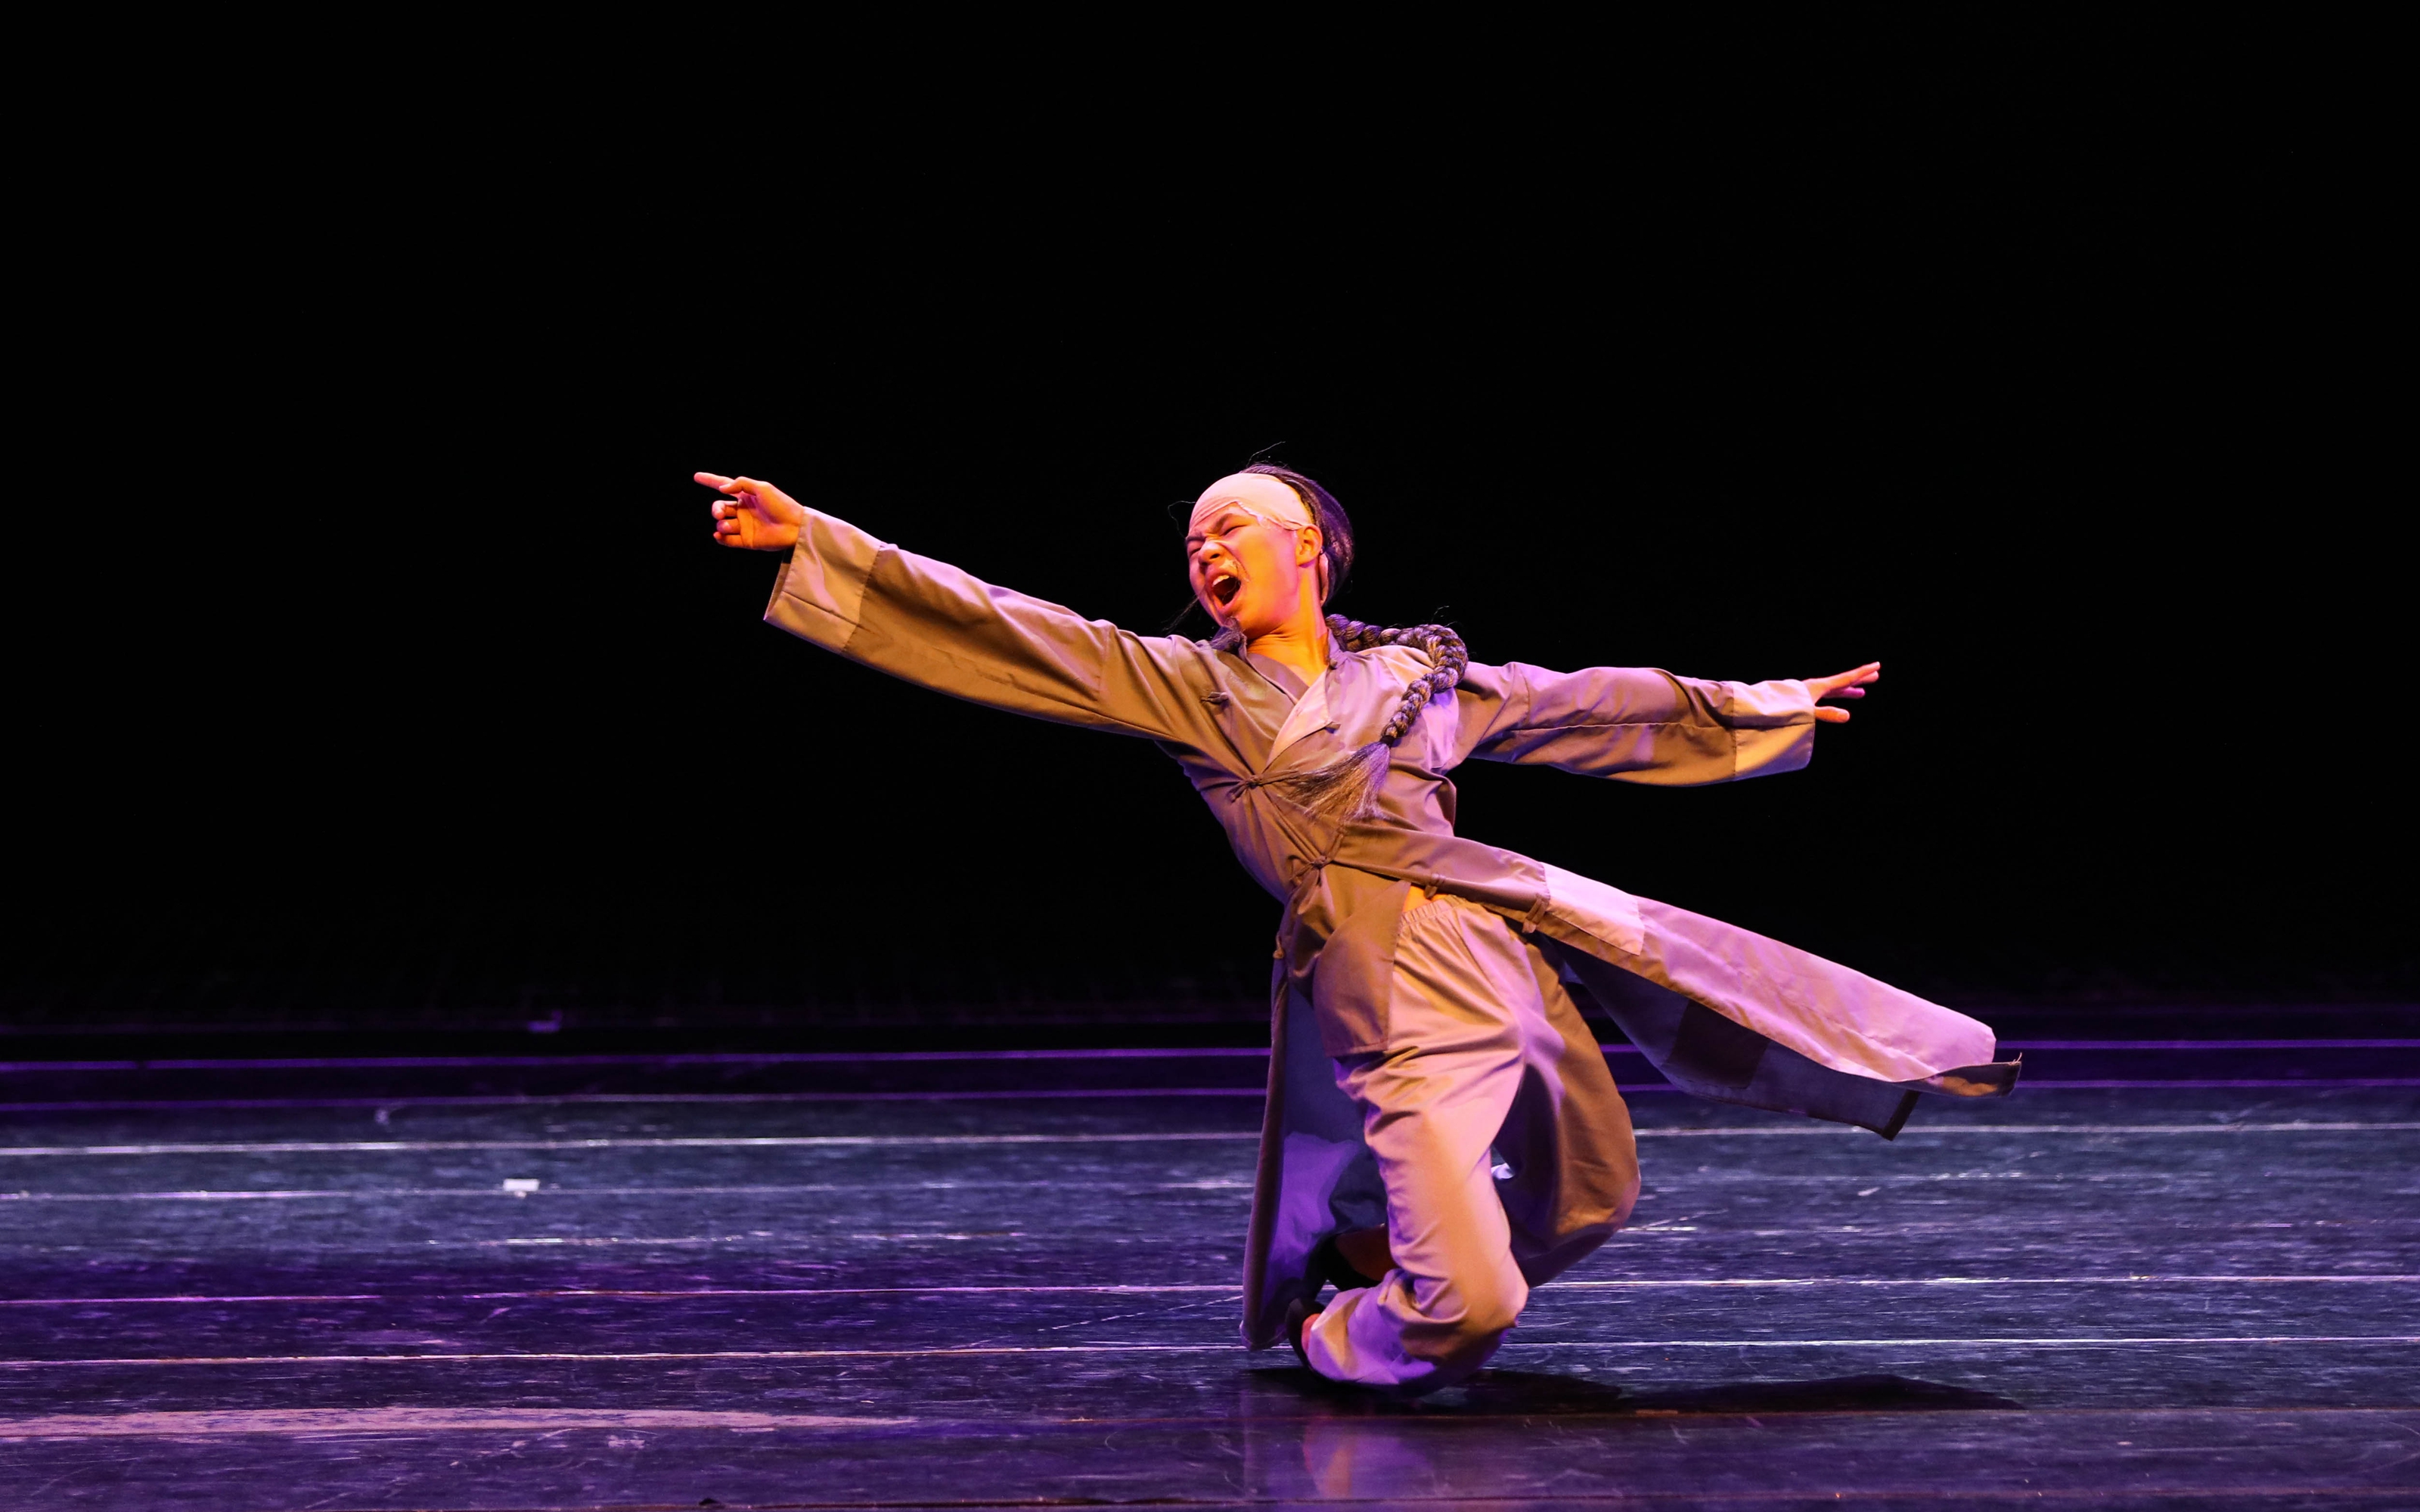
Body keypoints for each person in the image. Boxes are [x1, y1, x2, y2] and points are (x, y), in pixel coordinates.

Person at [699, 463, 2016, 1396]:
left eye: (1231, 528)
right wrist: (823, 541)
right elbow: (1009, 626)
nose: (1206, 555)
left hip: (1502, 948)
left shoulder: (1418, 681)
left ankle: (1381, 1253)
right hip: (1382, 975)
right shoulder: (1187, 686)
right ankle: (1339, 1330)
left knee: (1595, 1197)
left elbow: (1584, 704)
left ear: (1311, 551)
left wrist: (1761, 701)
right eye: (1194, 543)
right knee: (1474, 1305)